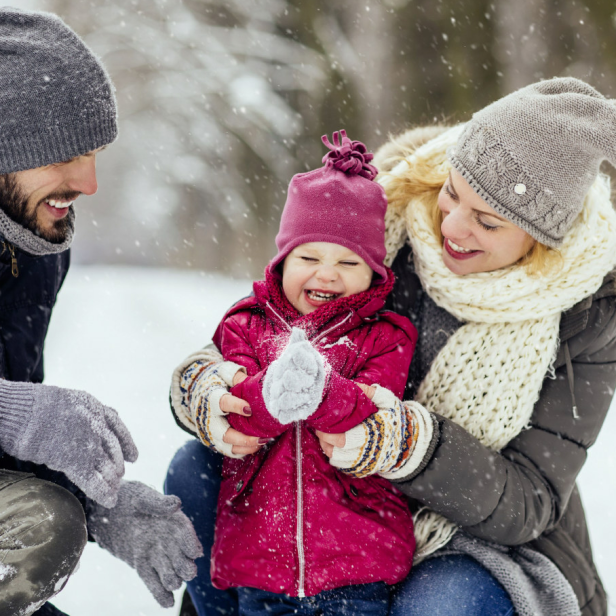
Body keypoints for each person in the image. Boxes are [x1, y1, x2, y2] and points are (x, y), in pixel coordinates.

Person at [167, 77, 616, 616]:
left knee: (439, 605)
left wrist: (414, 447)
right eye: (453, 191)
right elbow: (258, 329)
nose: (450, 224)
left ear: (541, 237)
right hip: (337, 496)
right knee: (195, 467)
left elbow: (530, 500)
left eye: (487, 220)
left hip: (475, 534)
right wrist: (203, 386)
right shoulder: (385, 221)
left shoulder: (587, 312)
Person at [0, 8, 202, 616]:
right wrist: (13, 414)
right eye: (65, 157)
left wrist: (98, 504)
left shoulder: (32, 246)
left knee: (49, 519)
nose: (89, 182)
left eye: (94, 153)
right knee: (45, 526)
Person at [196, 130, 426, 615]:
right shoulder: (245, 325)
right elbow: (236, 418)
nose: (327, 274)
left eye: (348, 261)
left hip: (356, 567)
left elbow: (370, 409)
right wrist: (273, 392)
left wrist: (322, 391)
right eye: (308, 257)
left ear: (375, 274)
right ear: (282, 261)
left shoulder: (386, 335)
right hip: (260, 564)